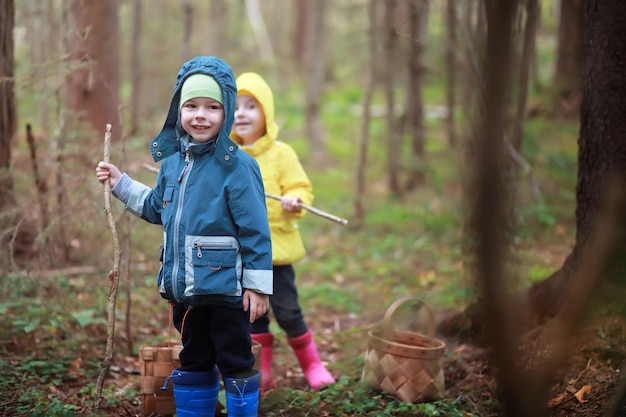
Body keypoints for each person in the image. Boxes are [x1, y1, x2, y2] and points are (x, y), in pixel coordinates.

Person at [95, 56, 272, 417]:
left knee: (235, 359)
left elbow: (255, 229)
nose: (201, 115)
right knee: (193, 359)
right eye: (191, 106)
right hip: (186, 295)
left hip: (228, 294)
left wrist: (257, 285)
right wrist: (121, 184)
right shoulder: (174, 162)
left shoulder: (237, 167)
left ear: (226, 111)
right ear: (179, 110)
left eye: (212, 107)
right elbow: (159, 208)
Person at [230, 72, 335, 392]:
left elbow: (300, 186)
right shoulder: (228, 157)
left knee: (288, 313)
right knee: (252, 317)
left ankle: (313, 364)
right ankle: (262, 372)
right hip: (243, 256)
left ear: (267, 113)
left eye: (251, 106)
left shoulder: (281, 153)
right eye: (235, 107)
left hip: (276, 254)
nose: (241, 114)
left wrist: (295, 201)